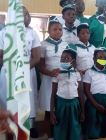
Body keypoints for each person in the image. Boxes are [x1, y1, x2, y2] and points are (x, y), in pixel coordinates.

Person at [38, 16, 68, 138]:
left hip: (62, 80)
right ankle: (49, 135)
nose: (58, 31)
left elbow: (70, 61)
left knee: (61, 107)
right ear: (49, 31)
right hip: (48, 80)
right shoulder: (43, 44)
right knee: (48, 109)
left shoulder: (66, 44)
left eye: (60, 29)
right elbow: (40, 66)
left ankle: (60, 134)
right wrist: (50, 73)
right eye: (55, 29)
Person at [50, 45, 85, 140]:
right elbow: (53, 94)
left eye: (67, 58)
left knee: (74, 127)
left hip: (74, 104)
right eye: (62, 58)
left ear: (72, 61)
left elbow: (80, 93)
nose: (64, 60)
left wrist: (82, 111)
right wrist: (52, 112)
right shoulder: (57, 74)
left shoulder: (77, 74)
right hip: (61, 104)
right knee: (60, 127)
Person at [83, 47, 106, 139]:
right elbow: (86, 90)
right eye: (100, 57)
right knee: (94, 128)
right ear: (94, 58)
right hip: (94, 103)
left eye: (104, 57)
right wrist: (96, 105)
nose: (102, 59)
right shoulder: (89, 72)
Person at [22, 6, 41, 138]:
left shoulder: (32, 32)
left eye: (26, 14)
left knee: (29, 99)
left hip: (28, 70)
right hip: (9, 72)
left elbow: (37, 57)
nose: (23, 16)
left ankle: (31, 127)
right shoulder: (4, 32)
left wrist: (22, 69)